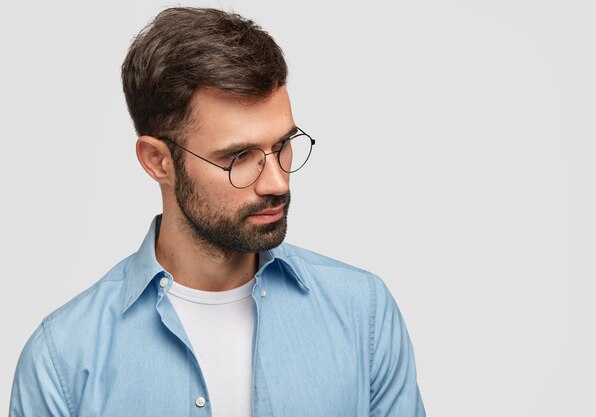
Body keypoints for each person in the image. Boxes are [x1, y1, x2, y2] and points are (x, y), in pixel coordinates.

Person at [9, 7, 425, 417]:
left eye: (283, 145)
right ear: (158, 161)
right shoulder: (62, 358)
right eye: (239, 157)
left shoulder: (363, 314)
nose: (277, 182)